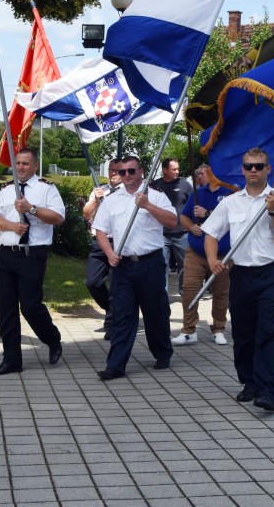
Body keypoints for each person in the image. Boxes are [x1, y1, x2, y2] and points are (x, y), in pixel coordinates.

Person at [202, 148, 274, 412]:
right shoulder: (230, 202)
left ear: (269, 169)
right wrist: (212, 259)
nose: (253, 170)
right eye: (248, 166)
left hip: (272, 273)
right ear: (242, 170)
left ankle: (269, 390)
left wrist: (273, 212)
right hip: (242, 274)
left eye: (258, 166)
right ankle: (250, 383)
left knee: (268, 331)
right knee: (243, 333)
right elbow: (210, 232)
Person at [92, 156, 178, 381]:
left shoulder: (156, 195)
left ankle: (162, 353)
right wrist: (109, 253)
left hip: (151, 263)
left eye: (131, 171)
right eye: (122, 172)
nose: (127, 176)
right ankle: (116, 365)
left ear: (141, 171)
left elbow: (171, 221)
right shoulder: (112, 200)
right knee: (122, 315)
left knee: (155, 312)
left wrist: (148, 205)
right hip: (123, 265)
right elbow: (100, 229)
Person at [0, 148, 65, 376]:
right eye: (18, 163)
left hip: (32, 254)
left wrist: (31, 209)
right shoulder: (6, 189)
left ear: (35, 166)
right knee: (5, 309)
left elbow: (58, 218)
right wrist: (12, 226)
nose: (20, 167)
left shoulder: (46, 189)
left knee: (30, 306)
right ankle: (11, 360)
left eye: (25, 163)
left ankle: (52, 338)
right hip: (7, 254)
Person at [172, 165, 232, 346]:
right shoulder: (197, 194)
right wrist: (191, 227)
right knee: (189, 289)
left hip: (222, 254)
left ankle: (219, 328)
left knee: (221, 292)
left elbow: (231, 217)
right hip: (196, 252)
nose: (199, 176)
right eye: (197, 173)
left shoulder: (229, 193)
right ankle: (189, 330)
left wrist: (206, 214)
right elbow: (184, 217)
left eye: (203, 173)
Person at [82, 159, 122, 340]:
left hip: (119, 243)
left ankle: (112, 322)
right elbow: (86, 214)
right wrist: (97, 201)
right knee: (93, 282)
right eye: (111, 170)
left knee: (116, 286)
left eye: (118, 170)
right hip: (99, 241)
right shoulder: (99, 190)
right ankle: (111, 310)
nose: (114, 173)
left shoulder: (129, 192)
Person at [149, 158, 193, 293]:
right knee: (162, 265)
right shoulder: (154, 186)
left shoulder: (185, 185)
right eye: (174, 169)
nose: (177, 172)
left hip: (182, 233)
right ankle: (162, 295)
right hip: (161, 233)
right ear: (165, 170)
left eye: (178, 169)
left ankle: (185, 293)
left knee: (185, 265)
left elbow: (192, 205)